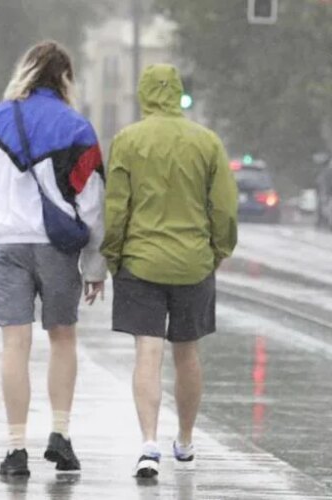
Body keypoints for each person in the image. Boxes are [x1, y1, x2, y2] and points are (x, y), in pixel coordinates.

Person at [0, 40, 106, 477]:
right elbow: (93, 199)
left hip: (6, 244)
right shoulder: (77, 127)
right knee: (63, 339)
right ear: (65, 79)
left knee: (14, 345)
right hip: (57, 246)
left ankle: (15, 448)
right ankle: (60, 436)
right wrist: (95, 263)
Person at [100, 63, 238, 479]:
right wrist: (217, 251)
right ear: (178, 93)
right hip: (194, 262)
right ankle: (186, 439)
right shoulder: (208, 142)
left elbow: (116, 206)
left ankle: (148, 443)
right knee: (187, 351)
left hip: (140, 261)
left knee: (148, 350)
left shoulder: (127, 140)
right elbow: (224, 209)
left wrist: (113, 255)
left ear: (144, 94)